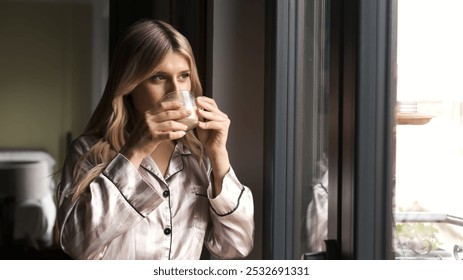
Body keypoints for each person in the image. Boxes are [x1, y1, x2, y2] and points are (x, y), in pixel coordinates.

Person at [56, 19, 254, 260]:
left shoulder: (200, 156)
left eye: (183, 76)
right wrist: (134, 153)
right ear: (130, 84)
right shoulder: (88, 151)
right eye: (159, 77)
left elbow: (236, 248)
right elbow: (78, 244)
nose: (175, 90)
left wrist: (219, 154)